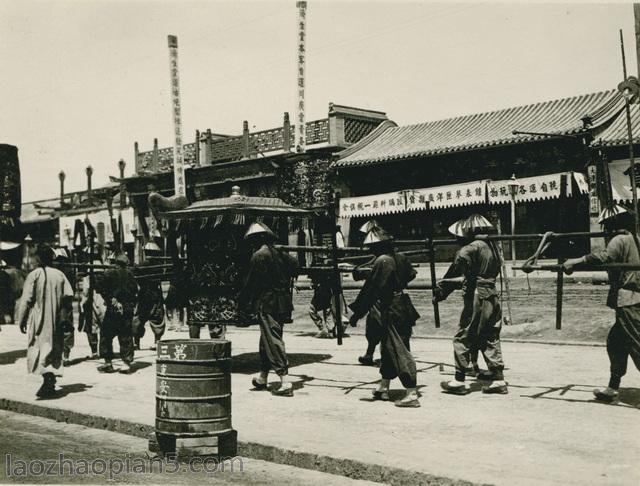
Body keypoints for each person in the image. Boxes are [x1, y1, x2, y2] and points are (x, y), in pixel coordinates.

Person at [563, 204, 640, 403]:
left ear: (615, 224)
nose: (606, 230)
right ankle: (613, 387)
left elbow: (604, 257)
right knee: (615, 344)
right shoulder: (635, 238)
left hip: (629, 300)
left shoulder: (620, 239)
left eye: (608, 225)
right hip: (630, 298)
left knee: (637, 344)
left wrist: (576, 261)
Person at [434, 214, 507, 396]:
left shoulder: (471, 248)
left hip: (478, 295)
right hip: (492, 293)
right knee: (490, 336)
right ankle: (498, 378)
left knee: (464, 335)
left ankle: (459, 380)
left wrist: (444, 287)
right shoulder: (494, 247)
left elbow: (463, 272)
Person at [348, 226, 420, 408]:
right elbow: (411, 274)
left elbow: (371, 290)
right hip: (403, 303)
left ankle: (411, 392)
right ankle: (384, 386)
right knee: (388, 348)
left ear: (379, 246)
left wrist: (357, 314)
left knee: (399, 349)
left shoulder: (382, 261)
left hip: (391, 307)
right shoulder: (400, 257)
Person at [238, 222, 299, 397]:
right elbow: (296, 267)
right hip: (283, 302)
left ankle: (285, 381)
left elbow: (250, 283)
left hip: (267, 302)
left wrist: (242, 302)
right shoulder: (281, 253)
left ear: (256, 240)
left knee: (272, 339)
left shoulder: (259, 256)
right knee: (267, 338)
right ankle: (263, 377)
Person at [16, 244, 74, 398]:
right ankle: (50, 379)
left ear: (39, 258)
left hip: (39, 319)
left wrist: (21, 320)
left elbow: (26, 300)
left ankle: (48, 379)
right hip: (56, 319)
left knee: (39, 348)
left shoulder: (34, 275)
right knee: (54, 347)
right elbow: (69, 295)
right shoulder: (59, 274)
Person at [95, 252, 138, 374]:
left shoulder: (109, 273)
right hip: (127, 308)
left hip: (114, 308)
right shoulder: (130, 275)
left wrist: (110, 298)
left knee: (106, 335)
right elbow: (135, 290)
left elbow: (98, 287)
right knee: (126, 335)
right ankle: (126, 363)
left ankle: (108, 363)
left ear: (116, 263)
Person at [133, 263, 165, 351]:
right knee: (138, 320)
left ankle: (156, 341)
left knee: (157, 318)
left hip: (152, 294)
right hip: (145, 295)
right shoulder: (144, 266)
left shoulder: (157, 268)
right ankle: (136, 342)